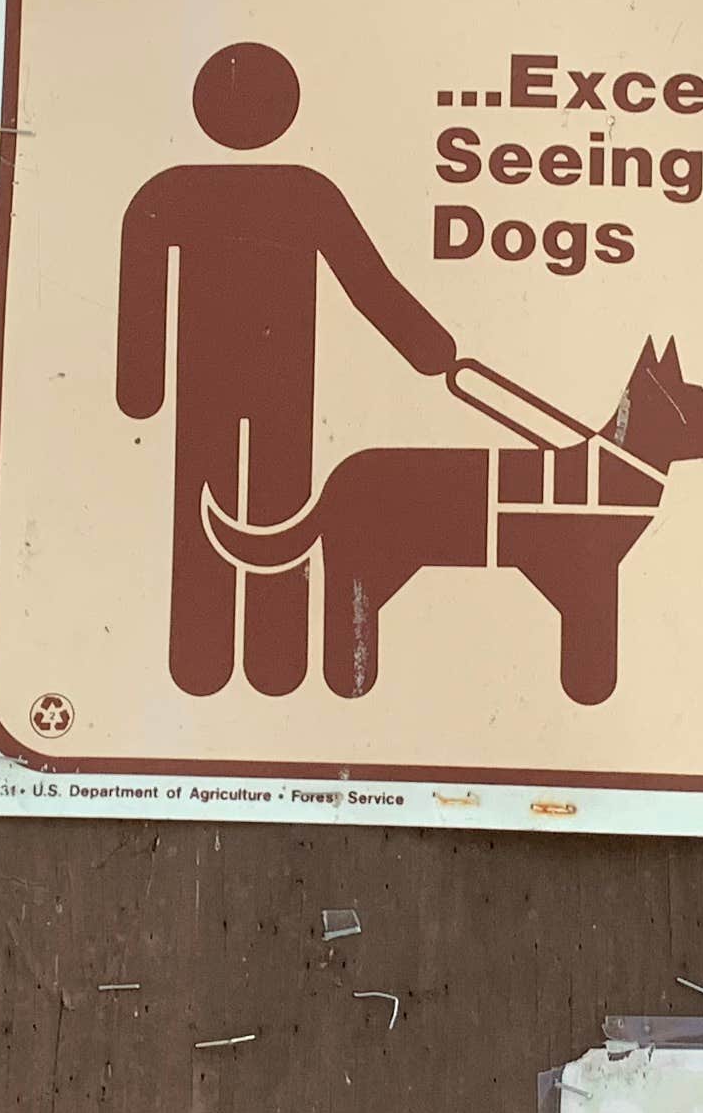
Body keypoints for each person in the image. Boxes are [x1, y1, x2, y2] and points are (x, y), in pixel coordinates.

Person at [117, 43, 455, 695]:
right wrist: (429, 348)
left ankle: (209, 659)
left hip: (230, 382)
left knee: (219, 506)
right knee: (275, 510)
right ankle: (265, 661)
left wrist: (142, 386)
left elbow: (142, 285)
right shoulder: (299, 191)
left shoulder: (177, 189)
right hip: (275, 382)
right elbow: (371, 285)